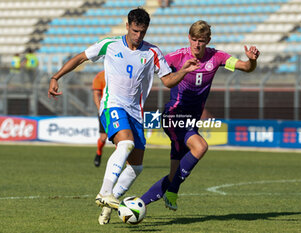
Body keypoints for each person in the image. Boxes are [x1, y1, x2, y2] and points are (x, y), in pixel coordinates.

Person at [47, 8, 199, 225]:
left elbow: (167, 81)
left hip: (136, 113)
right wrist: (56, 77)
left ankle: (112, 203)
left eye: (143, 32)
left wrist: (183, 71)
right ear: (127, 26)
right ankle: (104, 192)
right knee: (125, 143)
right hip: (112, 106)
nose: (138, 36)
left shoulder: (152, 52)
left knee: (136, 166)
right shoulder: (109, 45)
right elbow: (81, 57)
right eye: (135, 30)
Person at [140, 20, 260, 211]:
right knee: (200, 146)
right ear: (189, 38)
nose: (197, 44)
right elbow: (153, 69)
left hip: (191, 121)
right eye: (194, 39)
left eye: (201, 40)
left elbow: (246, 67)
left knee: (173, 175)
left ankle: (137, 204)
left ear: (208, 40)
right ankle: (170, 191)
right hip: (174, 116)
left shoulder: (217, 57)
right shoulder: (177, 57)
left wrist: (252, 60)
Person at [92, 70, 107, 167]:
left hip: (120, 109)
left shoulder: (121, 72)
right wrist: (100, 110)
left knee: (121, 138)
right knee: (103, 138)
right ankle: (99, 153)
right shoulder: (101, 76)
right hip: (105, 110)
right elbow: (96, 94)